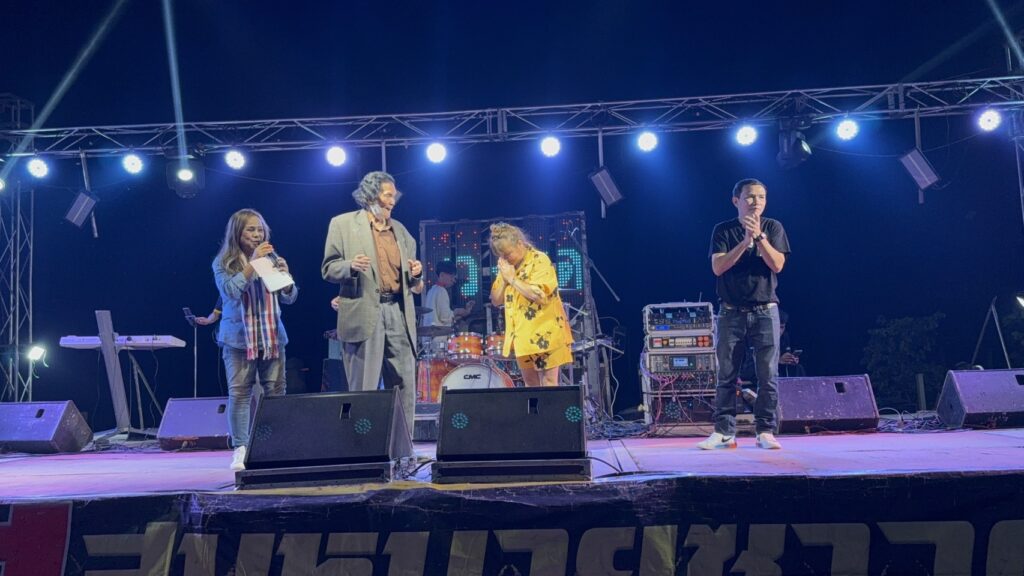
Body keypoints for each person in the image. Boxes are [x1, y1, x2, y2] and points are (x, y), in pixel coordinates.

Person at [322, 171, 423, 436]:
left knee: (404, 383)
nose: (392, 201)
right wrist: (350, 266)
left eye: (394, 196)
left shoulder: (401, 231)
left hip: (398, 313)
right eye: (388, 195)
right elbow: (329, 269)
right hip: (364, 312)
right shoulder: (343, 224)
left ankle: (403, 445)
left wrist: (417, 274)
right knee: (364, 386)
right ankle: (363, 444)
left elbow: (416, 284)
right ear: (370, 195)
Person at [698, 178, 790, 450]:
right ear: (736, 200)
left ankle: (765, 430)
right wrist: (745, 241)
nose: (756, 202)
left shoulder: (773, 227)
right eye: (750, 196)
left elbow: (778, 264)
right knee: (726, 374)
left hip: (765, 310)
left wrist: (759, 238)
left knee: (768, 375)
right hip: (731, 312)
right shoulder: (723, 230)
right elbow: (718, 267)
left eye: (761, 197)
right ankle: (724, 432)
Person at [213, 209, 298, 471]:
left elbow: (289, 297)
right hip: (239, 339)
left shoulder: (270, 259)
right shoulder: (223, 263)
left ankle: (276, 444)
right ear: (237, 232)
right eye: (251, 229)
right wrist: (252, 264)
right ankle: (240, 448)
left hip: (272, 336)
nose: (257, 234)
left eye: (260, 229)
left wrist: (287, 280)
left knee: (276, 392)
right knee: (240, 394)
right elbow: (231, 292)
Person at [488, 222, 573, 387]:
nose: (506, 259)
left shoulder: (539, 260)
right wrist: (505, 279)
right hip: (522, 336)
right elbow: (496, 300)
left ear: (520, 244)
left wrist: (513, 279)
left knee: (548, 382)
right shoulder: (507, 267)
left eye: (508, 254)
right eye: (502, 256)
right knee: (530, 385)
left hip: (545, 332)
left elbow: (539, 295)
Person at [421, 260, 475, 339]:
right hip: (438, 340)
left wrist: (463, 313)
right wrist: (457, 311)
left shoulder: (431, 291)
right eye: (451, 276)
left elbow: (442, 318)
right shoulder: (441, 291)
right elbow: (445, 318)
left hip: (428, 339)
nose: (454, 280)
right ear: (442, 275)